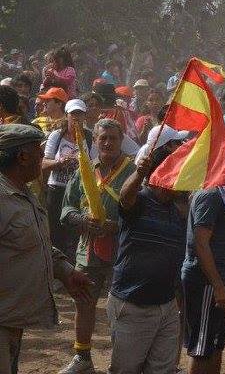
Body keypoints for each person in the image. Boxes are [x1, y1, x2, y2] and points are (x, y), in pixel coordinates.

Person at [1, 124, 94, 374]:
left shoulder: (23, 193)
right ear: (22, 157)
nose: (43, 157)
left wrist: (65, 271)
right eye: (39, 152)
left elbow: (35, 242)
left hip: (10, 319)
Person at [59, 119, 137, 374]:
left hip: (123, 251)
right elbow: (66, 209)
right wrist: (81, 219)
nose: (107, 142)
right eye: (102, 138)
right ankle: (82, 358)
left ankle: (125, 360)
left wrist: (116, 226)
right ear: (95, 141)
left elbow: (143, 212)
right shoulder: (83, 169)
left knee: (123, 308)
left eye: (113, 138)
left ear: (121, 139)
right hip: (88, 249)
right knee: (84, 302)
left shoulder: (133, 171)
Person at [107, 134, 189, 374]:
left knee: (163, 370)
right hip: (133, 304)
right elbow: (125, 197)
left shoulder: (176, 210)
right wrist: (141, 173)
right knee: (127, 369)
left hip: (166, 305)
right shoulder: (140, 200)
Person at [180, 123, 225, 374]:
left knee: (215, 343)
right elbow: (201, 242)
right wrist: (219, 286)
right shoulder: (211, 194)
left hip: (217, 279)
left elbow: (218, 235)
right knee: (202, 348)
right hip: (206, 282)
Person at [42, 99, 92, 258]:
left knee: (74, 232)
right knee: (55, 232)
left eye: (80, 114)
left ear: (85, 116)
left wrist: (82, 164)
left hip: (78, 193)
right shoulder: (57, 135)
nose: (76, 117)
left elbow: (96, 164)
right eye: (73, 114)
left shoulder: (89, 137)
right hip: (57, 189)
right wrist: (59, 162)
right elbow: (43, 162)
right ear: (67, 115)